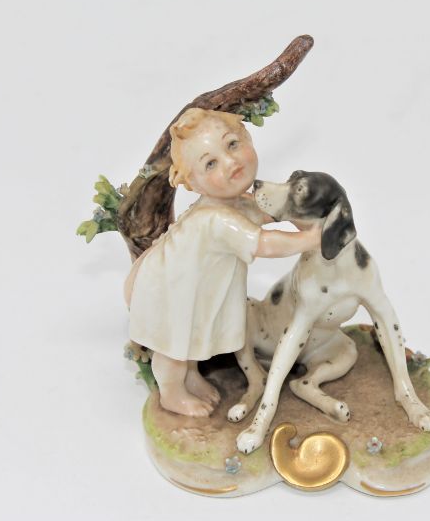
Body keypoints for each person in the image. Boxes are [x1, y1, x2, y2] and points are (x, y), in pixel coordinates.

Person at [124, 108, 320, 417]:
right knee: (174, 345)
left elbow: (267, 213)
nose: (231, 162)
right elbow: (264, 243)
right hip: (167, 291)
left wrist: (300, 215)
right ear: (194, 183)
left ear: (247, 137)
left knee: (189, 337)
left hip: (191, 289)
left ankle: (191, 377)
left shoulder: (234, 204)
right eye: (210, 163)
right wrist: (309, 240)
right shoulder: (215, 220)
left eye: (232, 144)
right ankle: (172, 393)